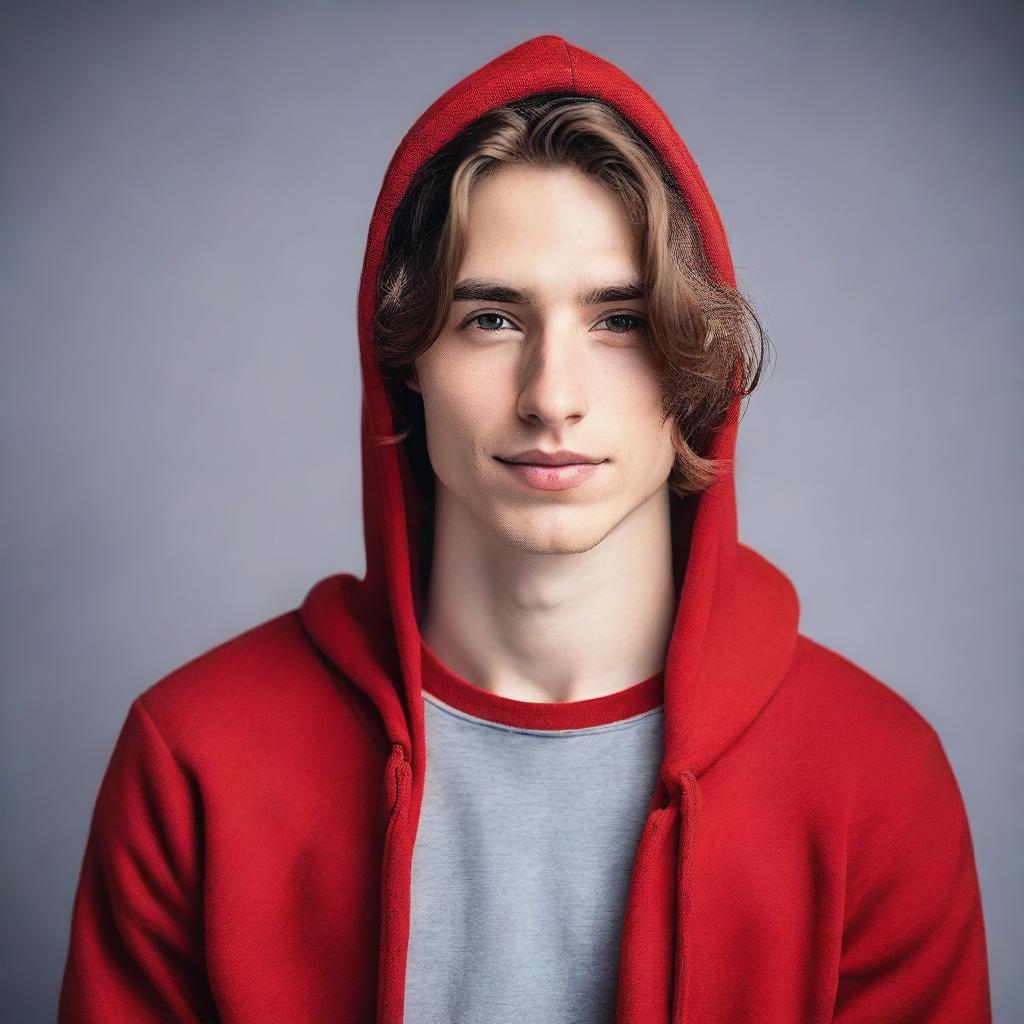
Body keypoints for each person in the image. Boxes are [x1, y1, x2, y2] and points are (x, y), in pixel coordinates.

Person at [57, 34, 992, 1023]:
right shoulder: (194, 756)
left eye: (620, 319)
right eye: (492, 319)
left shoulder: (873, 778)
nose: (552, 397)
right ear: (405, 355)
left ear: (697, 365)